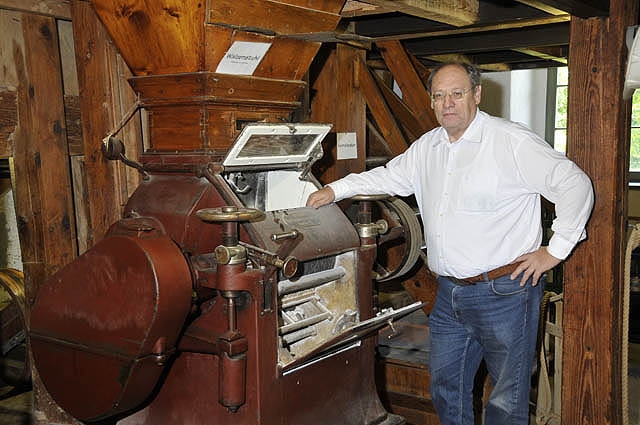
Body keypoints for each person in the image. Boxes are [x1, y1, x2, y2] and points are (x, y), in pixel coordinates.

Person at [306, 61, 594, 424]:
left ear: (477, 94)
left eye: (457, 93)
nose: (448, 103)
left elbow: (574, 184)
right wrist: (335, 190)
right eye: (439, 95)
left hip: (505, 292)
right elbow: (389, 176)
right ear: (431, 101)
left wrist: (555, 251)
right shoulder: (429, 147)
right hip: (450, 294)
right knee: (445, 389)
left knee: (507, 399)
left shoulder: (510, 141)